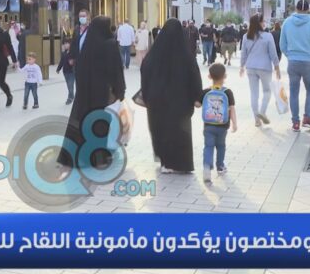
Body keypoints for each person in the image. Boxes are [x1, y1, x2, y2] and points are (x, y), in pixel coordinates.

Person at [59, 16, 125, 172]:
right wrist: (119, 90)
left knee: (82, 122)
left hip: (85, 92)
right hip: (102, 92)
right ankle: (98, 158)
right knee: (99, 124)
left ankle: (75, 156)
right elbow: (116, 70)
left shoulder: (87, 45)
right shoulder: (110, 44)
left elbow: (79, 68)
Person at [141, 19, 203, 174]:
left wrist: (147, 96)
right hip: (180, 101)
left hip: (157, 101)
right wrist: (197, 96)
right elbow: (195, 76)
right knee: (180, 131)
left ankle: (166, 162)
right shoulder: (186, 55)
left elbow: (145, 74)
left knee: (161, 130)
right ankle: (182, 164)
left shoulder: (153, 55)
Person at [280, 0, 310, 132]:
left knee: (294, 92)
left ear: (296, 8)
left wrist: (289, 55)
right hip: (308, 61)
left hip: (293, 61)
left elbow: (282, 44)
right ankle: (307, 118)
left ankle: (295, 122)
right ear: (308, 9)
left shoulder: (287, 22)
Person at [240, 14, 281, 127]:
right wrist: (277, 67)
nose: (264, 23)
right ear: (259, 23)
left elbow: (243, 53)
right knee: (267, 91)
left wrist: (241, 66)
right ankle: (262, 112)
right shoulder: (268, 36)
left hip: (250, 67)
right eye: (263, 21)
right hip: (265, 67)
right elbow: (273, 53)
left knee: (254, 94)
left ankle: (256, 120)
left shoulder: (246, 36)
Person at [199, 64, 237, 183]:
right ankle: (220, 166)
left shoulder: (206, 91)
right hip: (222, 126)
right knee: (221, 146)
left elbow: (197, 104)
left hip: (208, 125)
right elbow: (232, 109)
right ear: (225, 76)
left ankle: (207, 166)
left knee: (208, 146)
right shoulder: (228, 92)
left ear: (209, 76)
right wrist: (234, 123)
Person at [56, 40, 75, 105]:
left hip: (71, 72)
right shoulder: (64, 53)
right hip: (65, 72)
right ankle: (72, 96)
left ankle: (70, 98)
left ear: (70, 44)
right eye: (64, 44)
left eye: (67, 43)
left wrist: (73, 62)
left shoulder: (73, 52)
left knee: (70, 85)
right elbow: (61, 61)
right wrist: (58, 69)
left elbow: (77, 60)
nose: (65, 45)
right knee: (68, 85)